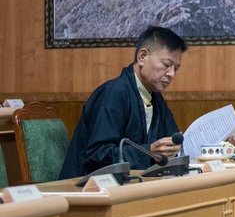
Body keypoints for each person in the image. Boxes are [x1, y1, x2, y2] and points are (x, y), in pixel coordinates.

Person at [60, 26, 188, 178]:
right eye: (166, 65)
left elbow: (172, 140)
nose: (171, 74)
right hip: (89, 185)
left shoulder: (156, 98)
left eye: (176, 68)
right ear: (142, 57)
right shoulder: (113, 93)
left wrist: (172, 149)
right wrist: (149, 152)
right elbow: (97, 154)